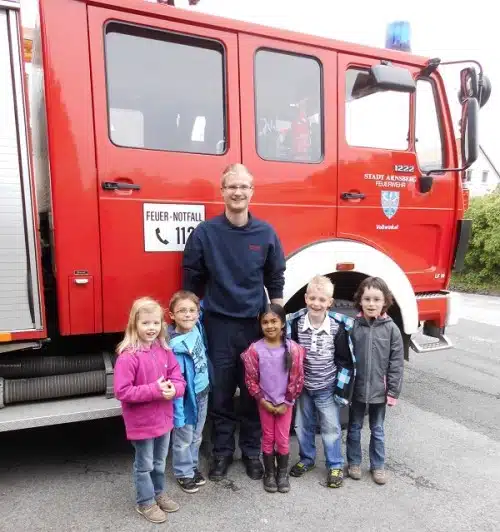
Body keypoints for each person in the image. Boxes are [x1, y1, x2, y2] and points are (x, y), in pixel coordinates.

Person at [183, 163, 286, 481]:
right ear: (222, 191)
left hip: (255, 325)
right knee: (222, 392)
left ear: (252, 192)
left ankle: (253, 452)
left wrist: (278, 323)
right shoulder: (205, 233)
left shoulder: (266, 233)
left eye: (244, 186)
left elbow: (275, 279)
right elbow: (191, 278)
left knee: (254, 390)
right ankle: (222, 453)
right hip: (219, 325)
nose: (238, 192)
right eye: (232, 186)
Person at [114, 297, 186, 524]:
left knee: (159, 461)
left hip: (163, 419)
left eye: (156, 323)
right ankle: (145, 501)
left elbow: (178, 378)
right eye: (146, 323)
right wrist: (155, 390)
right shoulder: (128, 356)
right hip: (142, 423)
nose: (151, 328)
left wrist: (174, 389)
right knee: (144, 465)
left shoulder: (164, 350)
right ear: (134, 324)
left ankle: (158, 493)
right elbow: (123, 392)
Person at [286, 275, 355, 488]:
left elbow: (344, 359)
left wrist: (341, 389)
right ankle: (307, 458)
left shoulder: (336, 328)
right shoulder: (296, 324)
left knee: (330, 427)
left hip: (326, 387)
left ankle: (335, 464)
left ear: (330, 303)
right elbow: (291, 354)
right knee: (303, 425)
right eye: (312, 298)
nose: (316, 303)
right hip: (304, 388)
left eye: (322, 300)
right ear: (305, 298)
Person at [241, 304, 305, 493]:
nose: (270, 326)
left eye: (274, 321)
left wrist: (287, 402)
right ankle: (270, 473)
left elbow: (297, 378)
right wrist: (262, 400)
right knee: (268, 437)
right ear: (260, 325)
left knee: (283, 439)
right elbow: (250, 379)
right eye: (265, 322)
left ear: (283, 323)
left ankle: (282, 474)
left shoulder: (293, 349)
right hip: (265, 403)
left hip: (286, 404)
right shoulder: (254, 350)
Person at [346, 276, 404, 485]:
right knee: (354, 427)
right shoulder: (353, 326)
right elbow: (345, 359)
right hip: (357, 390)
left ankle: (377, 466)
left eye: (376, 300)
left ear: (385, 302)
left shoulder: (391, 329)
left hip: (380, 391)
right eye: (367, 299)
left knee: (377, 430)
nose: (371, 304)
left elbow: (396, 363)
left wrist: (393, 392)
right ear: (360, 301)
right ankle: (353, 462)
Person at [168, 290, 210, 494]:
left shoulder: (197, 327)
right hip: (184, 399)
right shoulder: (171, 346)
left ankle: (192, 467)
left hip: (202, 392)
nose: (187, 315)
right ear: (172, 315)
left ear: (198, 313)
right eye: (182, 311)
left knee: (197, 435)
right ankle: (183, 472)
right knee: (183, 437)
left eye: (192, 310)